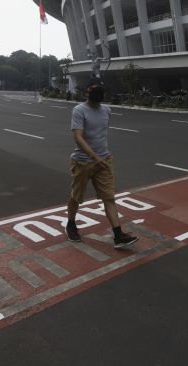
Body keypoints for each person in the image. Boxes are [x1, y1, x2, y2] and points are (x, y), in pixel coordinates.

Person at [65, 78, 138, 249]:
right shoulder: (79, 110)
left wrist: (100, 158)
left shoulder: (107, 110)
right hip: (82, 162)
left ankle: (118, 235)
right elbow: (78, 137)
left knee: (109, 198)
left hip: (104, 160)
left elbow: (99, 134)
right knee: (77, 196)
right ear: (87, 93)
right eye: (94, 90)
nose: (98, 93)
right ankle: (70, 224)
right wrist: (94, 157)